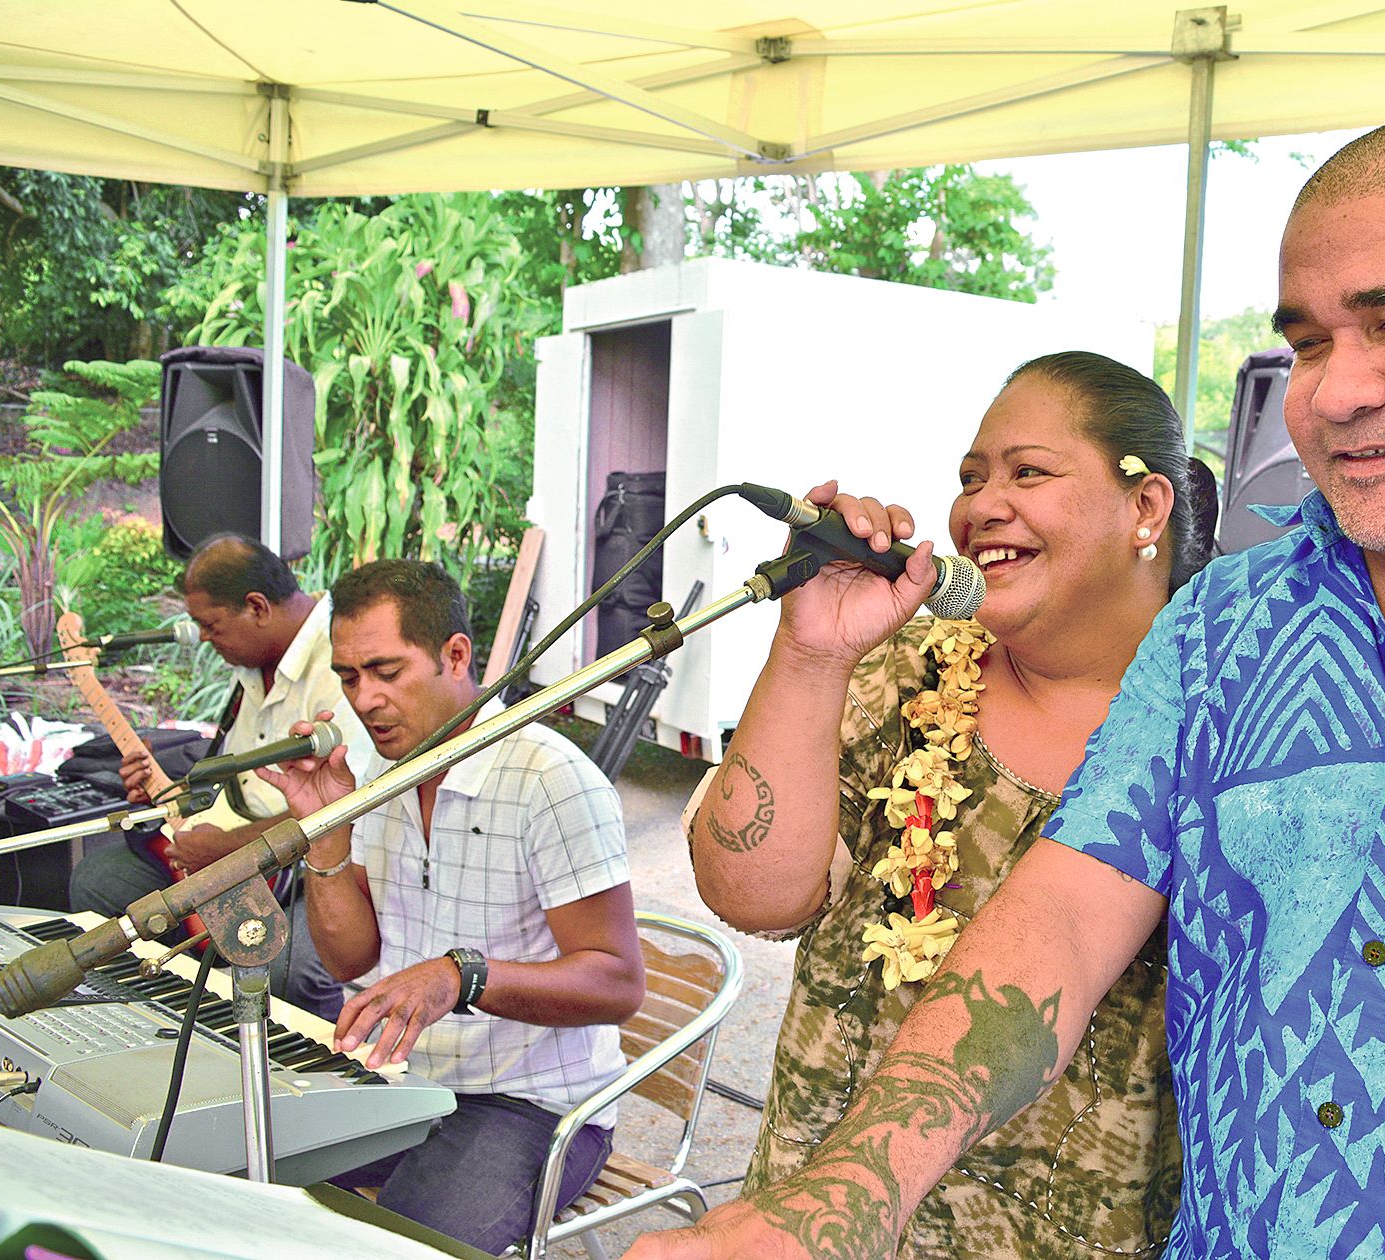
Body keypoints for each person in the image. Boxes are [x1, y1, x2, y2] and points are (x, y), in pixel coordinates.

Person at [628, 115, 1385, 1260]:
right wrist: (833, 1202)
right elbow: (1057, 922)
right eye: (1308, 340)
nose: (1333, 389)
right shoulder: (1231, 625)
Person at [677, 352, 1207, 1258]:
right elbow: (749, 895)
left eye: (1028, 471)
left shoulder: (1229, 726)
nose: (981, 506)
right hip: (808, 1227)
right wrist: (811, 657)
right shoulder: (901, 667)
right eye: (971, 478)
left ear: (1145, 507)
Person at [258, 558, 646, 1254]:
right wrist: (325, 832)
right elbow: (352, 956)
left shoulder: (551, 779)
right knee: (252, 1172)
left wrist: (461, 975)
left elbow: (617, 983)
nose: (364, 699)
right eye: (349, 677)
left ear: (456, 656)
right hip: (411, 1082)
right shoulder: (379, 772)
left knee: (400, 1246)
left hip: (533, 1105)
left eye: (385, 670)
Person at [68, 533, 379, 1020]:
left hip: (307, 867)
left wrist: (229, 851)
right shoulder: (256, 662)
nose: (207, 641)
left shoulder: (343, 663)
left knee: (283, 968)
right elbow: (238, 784)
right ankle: (168, 1018)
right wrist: (169, 790)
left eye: (211, 626)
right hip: (233, 853)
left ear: (256, 607)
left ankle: (305, 1071)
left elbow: (348, 813)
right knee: (100, 879)